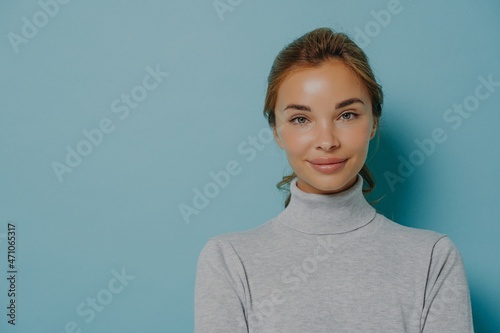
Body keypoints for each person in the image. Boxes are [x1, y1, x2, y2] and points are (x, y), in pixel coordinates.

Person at [194, 27, 474, 332]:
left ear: (373, 123)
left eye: (347, 115)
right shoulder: (229, 260)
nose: (326, 141)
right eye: (301, 119)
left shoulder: (433, 259)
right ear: (276, 131)